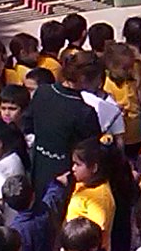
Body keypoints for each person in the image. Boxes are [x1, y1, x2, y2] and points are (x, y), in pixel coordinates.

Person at [25, 54, 100, 193]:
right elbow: (91, 150)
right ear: (83, 78)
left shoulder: (42, 91)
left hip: (38, 168)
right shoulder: (84, 112)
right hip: (65, 176)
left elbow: (28, 123)